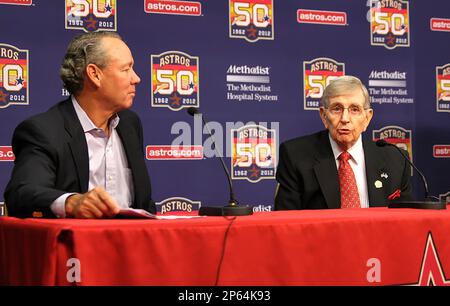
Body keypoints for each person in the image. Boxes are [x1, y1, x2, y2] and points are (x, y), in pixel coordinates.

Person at [4, 32, 156, 218]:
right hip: (78, 244)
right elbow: (22, 193)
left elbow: (144, 204)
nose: (136, 78)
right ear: (94, 74)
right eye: (126, 69)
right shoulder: (44, 131)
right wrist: (70, 202)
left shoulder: (130, 124)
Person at [275, 75, 412, 210]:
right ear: (324, 116)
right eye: (337, 109)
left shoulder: (396, 160)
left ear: (367, 118)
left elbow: (404, 222)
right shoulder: (296, 156)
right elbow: (286, 223)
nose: (345, 118)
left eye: (354, 109)